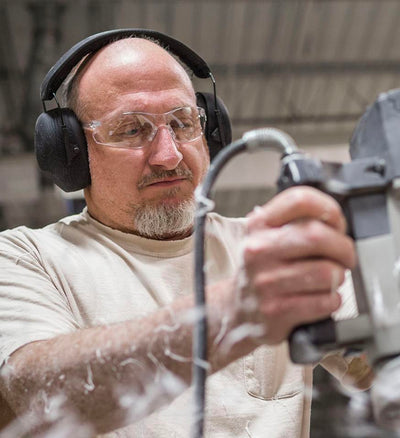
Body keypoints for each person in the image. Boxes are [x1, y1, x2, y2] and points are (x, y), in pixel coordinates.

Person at [0, 33, 372, 437]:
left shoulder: (272, 252)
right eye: (131, 129)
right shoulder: (27, 257)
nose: (169, 155)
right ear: (70, 150)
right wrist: (234, 312)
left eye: (182, 123)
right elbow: (33, 396)